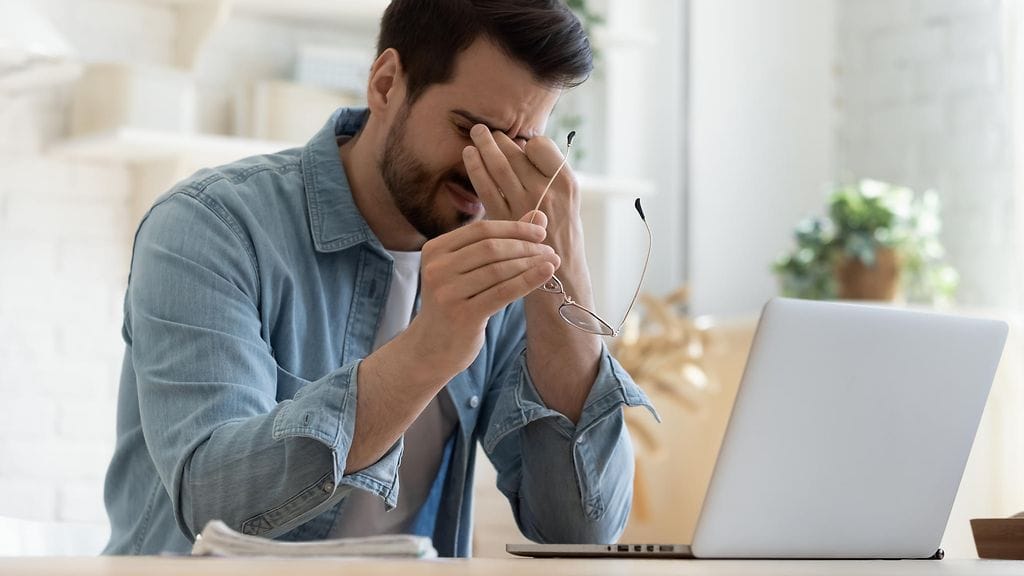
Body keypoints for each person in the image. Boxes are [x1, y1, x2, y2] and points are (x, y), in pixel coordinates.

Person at [103, 0, 655, 556]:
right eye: (472, 128)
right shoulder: (212, 226)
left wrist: (567, 276)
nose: (486, 169)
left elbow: (580, 530)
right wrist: (429, 350)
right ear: (386, 84)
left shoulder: (506, 258)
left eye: (520, 144)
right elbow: (213, 506)